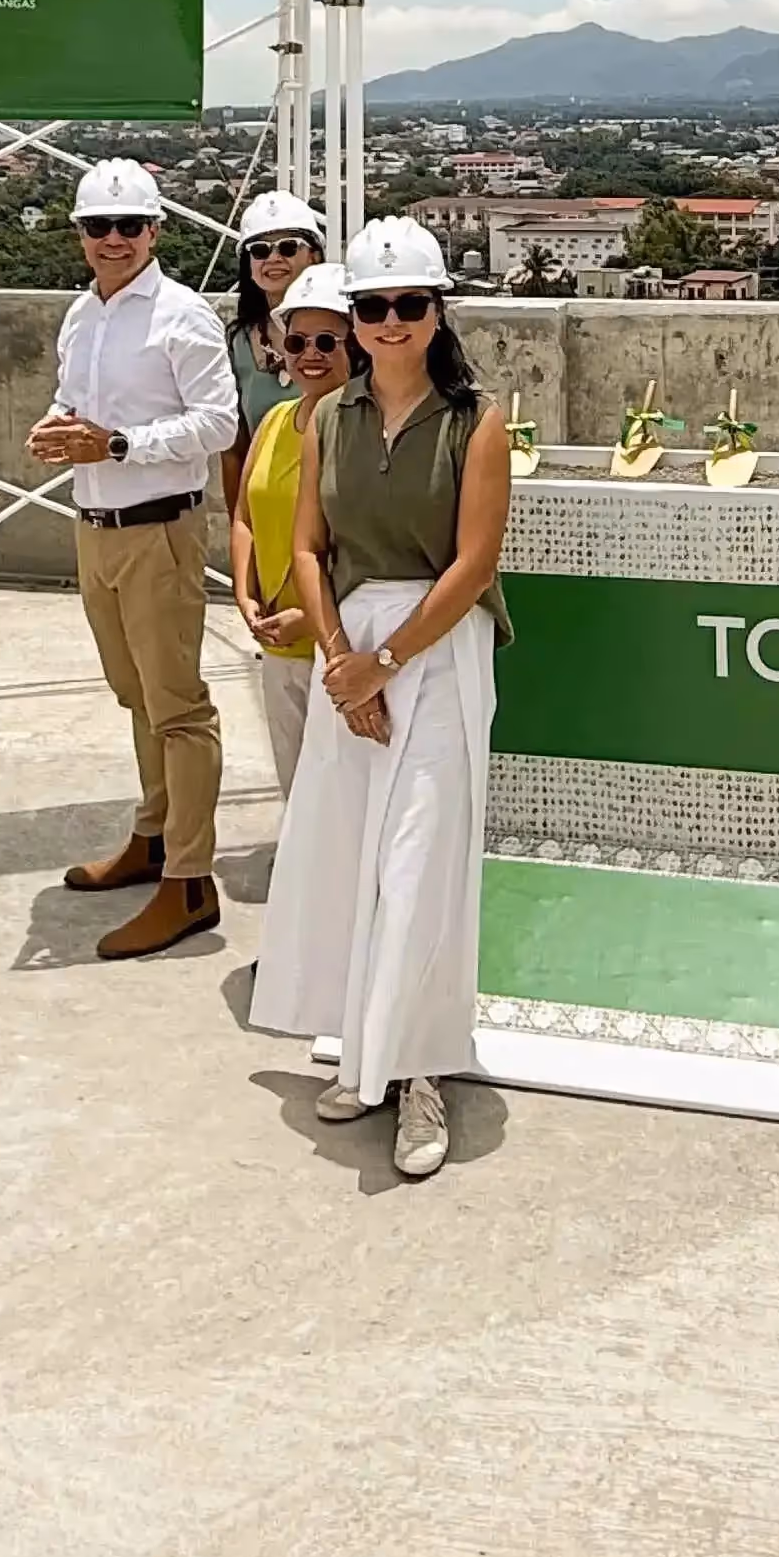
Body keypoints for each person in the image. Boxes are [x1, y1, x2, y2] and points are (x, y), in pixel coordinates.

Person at [250, 217, 512, 1183]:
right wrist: (337, 660)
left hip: (436, 653)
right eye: (372, 307)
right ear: (351, 319)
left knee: (417, 867)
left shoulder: (475, 421)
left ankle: (419, 1074)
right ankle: (367, 1053)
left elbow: (476, 560)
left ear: (438, 312)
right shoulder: (327, 420)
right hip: (349, 645)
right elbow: (308, 548)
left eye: (409, 304)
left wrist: (383, 663)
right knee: (353, 858)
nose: (390, 321)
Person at [30, 157, 239, 959]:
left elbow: (218, 424)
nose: (112, 241)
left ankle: (189, 881)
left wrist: (116, 444)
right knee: (135, 695)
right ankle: (153, 836)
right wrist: (60, 428)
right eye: (96, 228)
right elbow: (74, 399)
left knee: (178, 707)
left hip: (158, 528)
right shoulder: (82, 317)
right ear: (80, 236)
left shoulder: (182, 318)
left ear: (154, 232)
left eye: (127, 227)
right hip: (95, 524)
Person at [227, 263, 352, 798]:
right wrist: (243, 593)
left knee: (340, 793)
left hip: (337, 642)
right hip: (278, 642)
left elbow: (369, 546)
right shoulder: (276, 422)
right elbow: (243, 516)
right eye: (297, 341)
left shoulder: (363, 433)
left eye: (327, 341)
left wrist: (313, 619)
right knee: (295, 787)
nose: (310, 354)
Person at [220, 192, 327, 517]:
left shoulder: (347, 334)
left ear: (314, 257)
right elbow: (234, 450)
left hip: (332, 512)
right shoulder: (238, 342)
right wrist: (241, 524)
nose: (274, 258)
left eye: (289, 247)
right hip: (269, 513)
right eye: (260, 250)